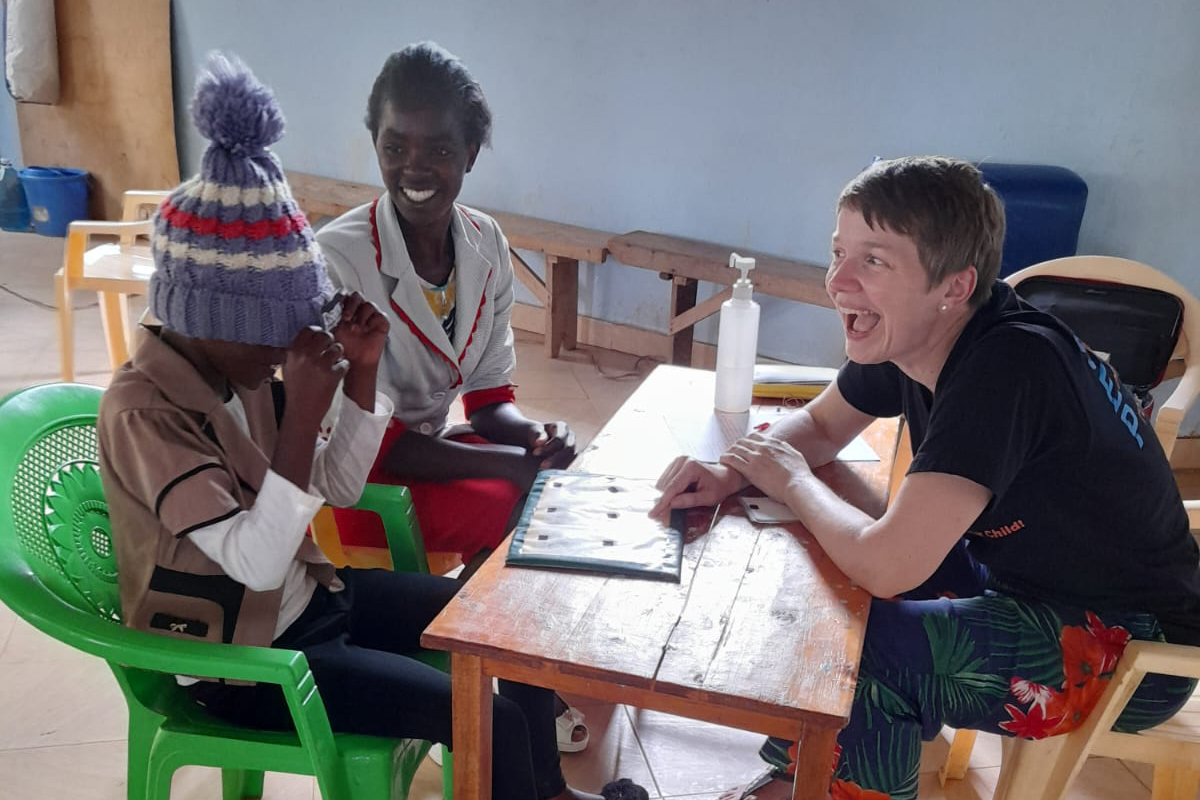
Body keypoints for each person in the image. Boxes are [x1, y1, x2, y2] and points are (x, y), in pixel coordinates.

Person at [97, 53, 634, 800]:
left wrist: (362, 374)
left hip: (311, 601)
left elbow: (343, 482)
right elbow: (253, 565)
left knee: (509, 627)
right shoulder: (146, 410)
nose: (289, 349)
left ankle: (549, 794)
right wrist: (305, 412)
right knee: (491, 718)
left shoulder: (237, 368)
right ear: (217, 318)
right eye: (276, 333)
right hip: (245, 658)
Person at [651, 156, 1200, 800]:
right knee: (836, 596)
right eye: (838, 253)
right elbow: (823, 428)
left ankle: (830, 781)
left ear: (954, 285)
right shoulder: (916, 332)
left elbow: (888, 566)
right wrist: (728, 471)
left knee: (867, 649)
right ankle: (811, 770)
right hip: (1022, 578)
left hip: (1131, 646)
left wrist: (791, 481)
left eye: (873, 261)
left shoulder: (1006, 365)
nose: (838, 282)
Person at [316, 40, 587, 752]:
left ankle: (505, 670)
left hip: (426, 453)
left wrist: (529, 437)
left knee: (552, 483)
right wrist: (505, 466)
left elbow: (489, 396)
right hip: (360, 482)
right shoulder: (340, 258)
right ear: (373, 143)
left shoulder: (484, 243)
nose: (414, 168)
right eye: (394, 146)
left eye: (437, 149)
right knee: (516, 501)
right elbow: (360, 438)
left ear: (471, 151)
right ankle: (501, 683)